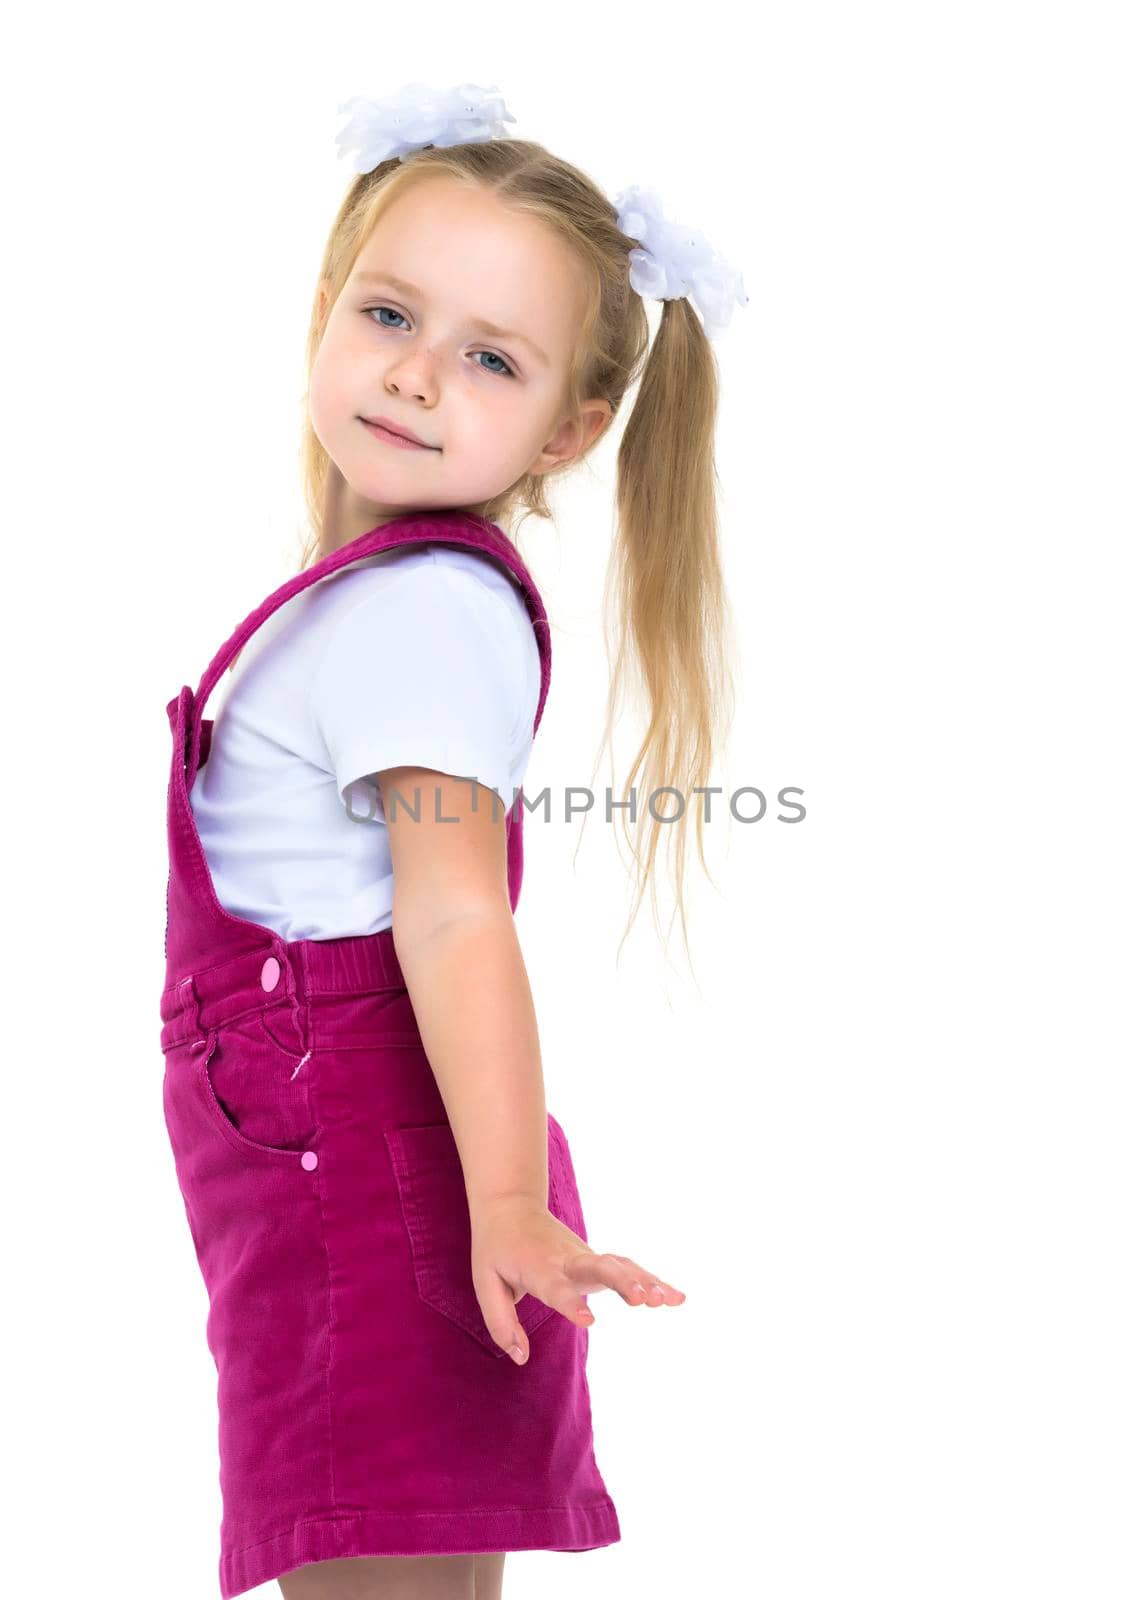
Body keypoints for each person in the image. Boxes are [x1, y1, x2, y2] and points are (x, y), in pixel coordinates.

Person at [158, 81, 747, 1600]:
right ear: (324, 312)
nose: (418, 378)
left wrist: (502, 1204)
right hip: (356, 1173)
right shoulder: (380, 596)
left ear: (573, 427)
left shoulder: (422, 607)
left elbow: (455, 915)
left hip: (377, 1181)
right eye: (390, 316)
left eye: (488, 357)